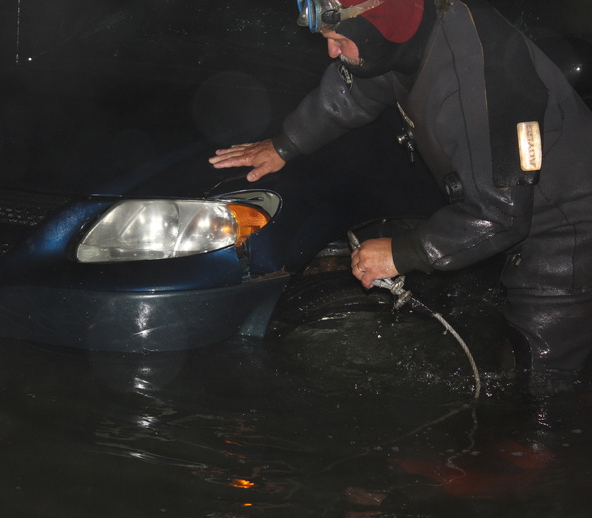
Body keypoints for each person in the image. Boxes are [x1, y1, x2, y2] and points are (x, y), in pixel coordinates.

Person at [209, 0, 592, 394]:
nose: (332, 51)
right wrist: (286, 143)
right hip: (513, 210)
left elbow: (501, 216)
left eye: (339, 39)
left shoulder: (481, 77)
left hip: (567, 231)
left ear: (386, 25)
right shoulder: (415, 32)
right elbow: (356, 86)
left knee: (540, 383)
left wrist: (402, 251)